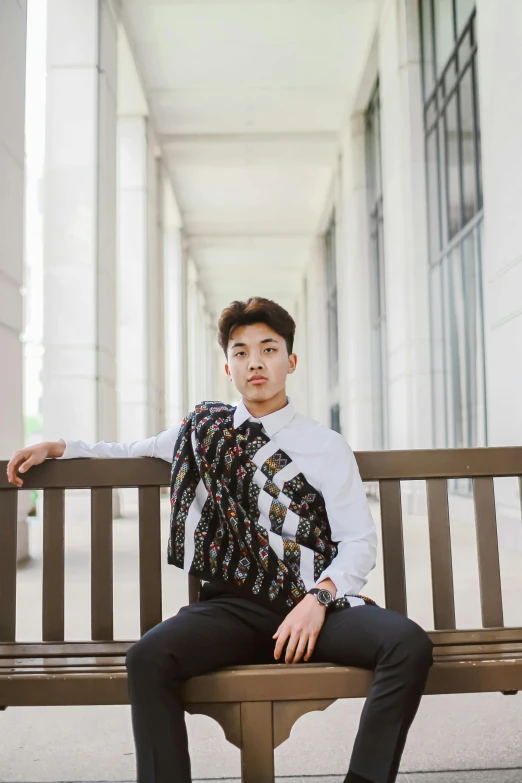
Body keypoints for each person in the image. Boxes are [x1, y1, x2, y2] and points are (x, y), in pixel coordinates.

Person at [7, 297, 432, 783]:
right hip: (232, 609)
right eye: (241, 351)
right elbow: (130, 449)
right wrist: (60, 447)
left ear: (290, 362)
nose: (255, 362)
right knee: (147, 658)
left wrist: (319, 598)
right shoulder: (204, 430)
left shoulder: (325, 445)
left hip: (311, 608)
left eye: (269, 349)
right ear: (227, 365)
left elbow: (359, 542)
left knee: (407, 645)